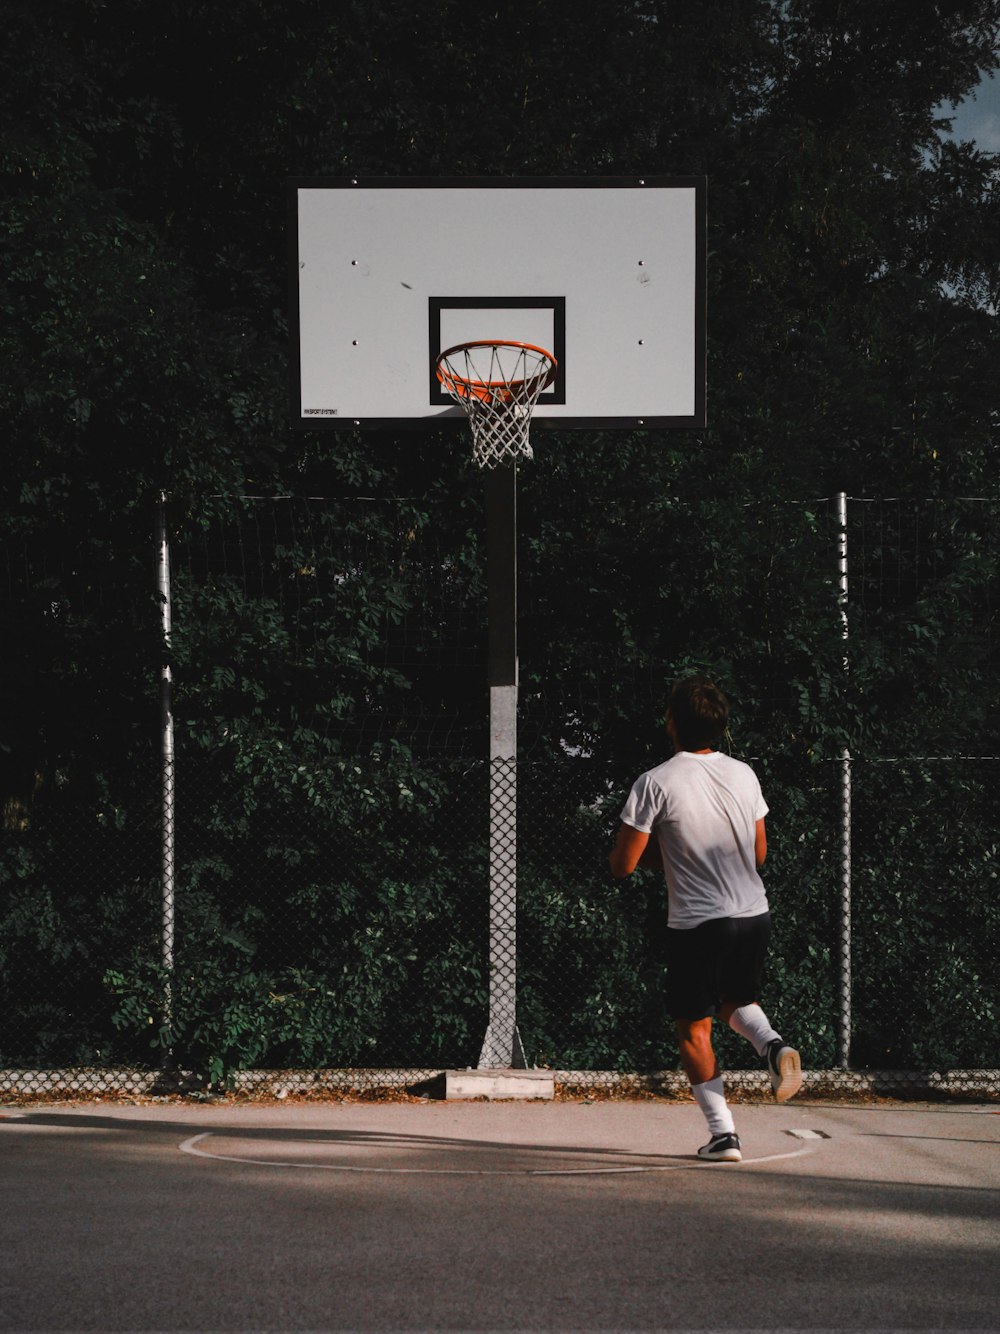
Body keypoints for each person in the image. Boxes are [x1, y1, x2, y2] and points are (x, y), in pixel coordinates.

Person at [609, 675, 801, 1162]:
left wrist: (668, 855)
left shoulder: (655, 781)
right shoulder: (744, 774)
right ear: (720, 725)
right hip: (754, 914)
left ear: (671, 722)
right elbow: (758, 854)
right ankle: (774, 1047)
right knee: (735, 1001)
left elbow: (622, 865)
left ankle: (724, 1136)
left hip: (699, 923)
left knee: (693, 1030)